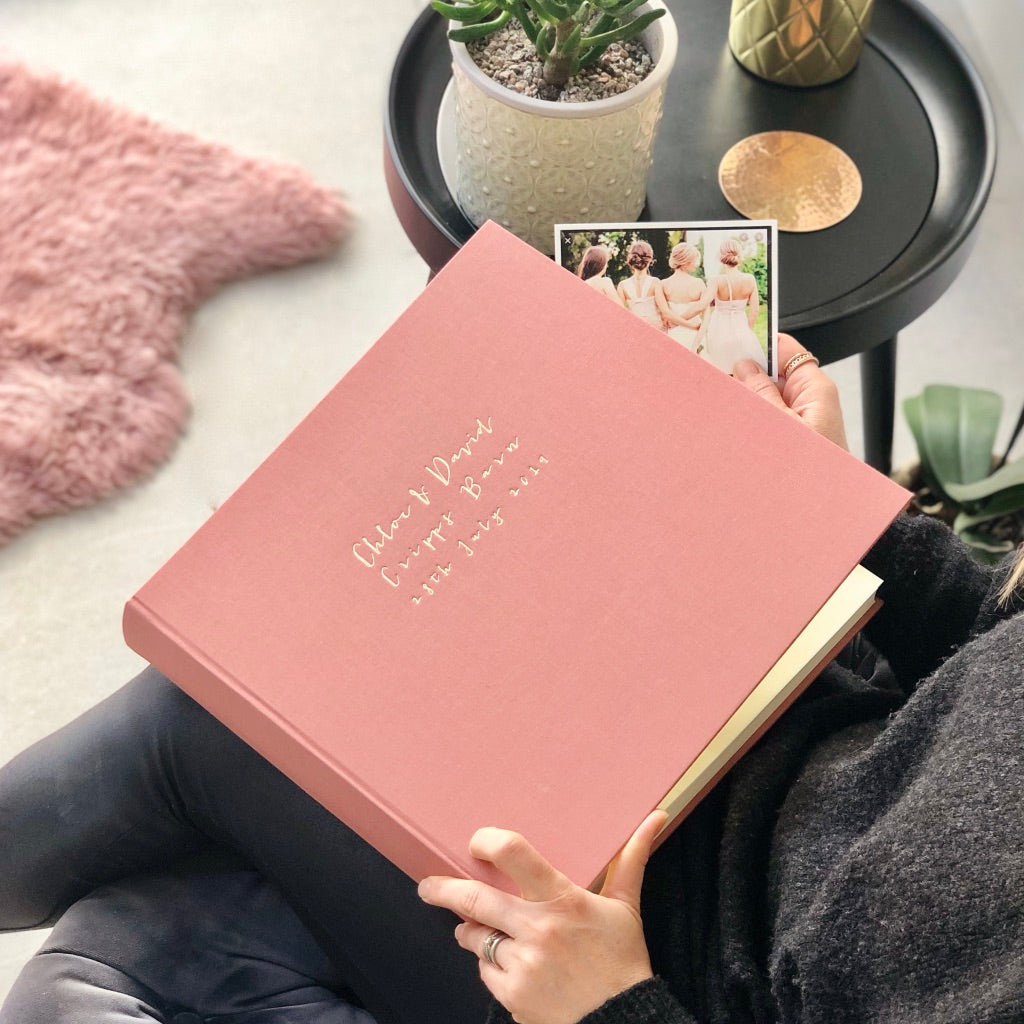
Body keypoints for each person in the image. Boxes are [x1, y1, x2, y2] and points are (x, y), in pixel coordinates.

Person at [2, 335, 1022, 1024]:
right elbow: (988, 644)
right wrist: (846, 516)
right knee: (103, 956)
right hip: (726, 721)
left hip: (638, 948)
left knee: (221, 709)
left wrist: (611, 1001)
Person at [697, 239, 767, 374]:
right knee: (745, 366)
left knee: (721, 366)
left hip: (719, 326)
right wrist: (747, 329)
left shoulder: (717, 280)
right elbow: (755, 309)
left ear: (721, 257)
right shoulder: (749, 279)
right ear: (739, 256)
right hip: (741, 324)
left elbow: (702, 305)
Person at [654, 242, 707, 351]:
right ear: (687, 261)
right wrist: (695, 332)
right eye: (694, 260)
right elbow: (706, 317)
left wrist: (684, 324)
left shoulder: (662, 284)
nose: (696, 264)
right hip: (696, 334)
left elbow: (666, 314)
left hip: (674, 335)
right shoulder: (699, 283)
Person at [616, 240, 664, 330]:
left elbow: (619, 315)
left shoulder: (622, 285)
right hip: (656, 330)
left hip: (634, 330)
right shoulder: (655, 282)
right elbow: (664, 312)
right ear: (649, 260)